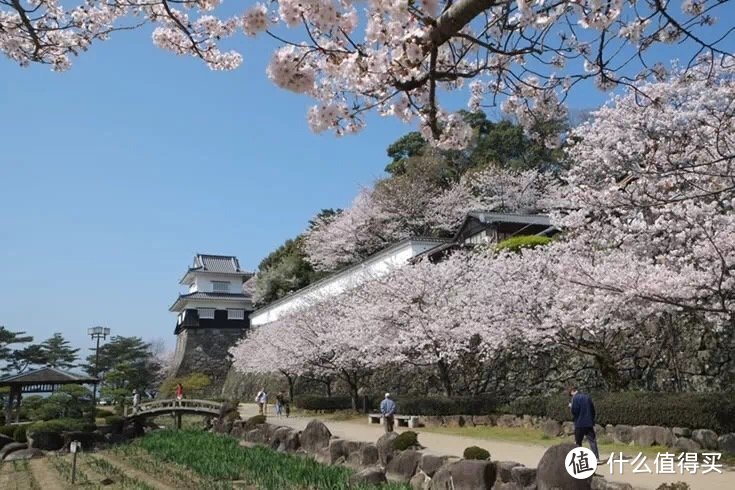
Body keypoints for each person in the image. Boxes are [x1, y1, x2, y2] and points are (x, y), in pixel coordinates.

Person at [569, 386, 600, 461]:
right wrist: (591, 420)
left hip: (579, 423)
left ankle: (579, 458)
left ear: (572, 391)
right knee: (592, 440)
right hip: (589, 422)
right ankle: (596, 457)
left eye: (571, 394)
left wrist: (571, 407)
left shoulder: (575, 399)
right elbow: (593, 410)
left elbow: (574, 411)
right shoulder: (587, 397)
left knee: (578, 441)